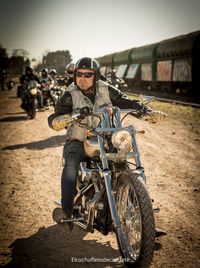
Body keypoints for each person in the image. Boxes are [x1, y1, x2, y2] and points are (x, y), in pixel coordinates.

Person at [48, 57, 166, 232]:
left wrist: (145, 111)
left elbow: (125, 101)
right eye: (79, 74)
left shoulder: (106, 88)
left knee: (125, 165)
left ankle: (145, 221)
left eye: (88, 75)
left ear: (96, 76)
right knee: (71, 165)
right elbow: (55, 116)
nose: (83, 78)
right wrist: (59, 120)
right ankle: (67, 209)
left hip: (107, 137)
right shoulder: (70, 93)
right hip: (79, 139)